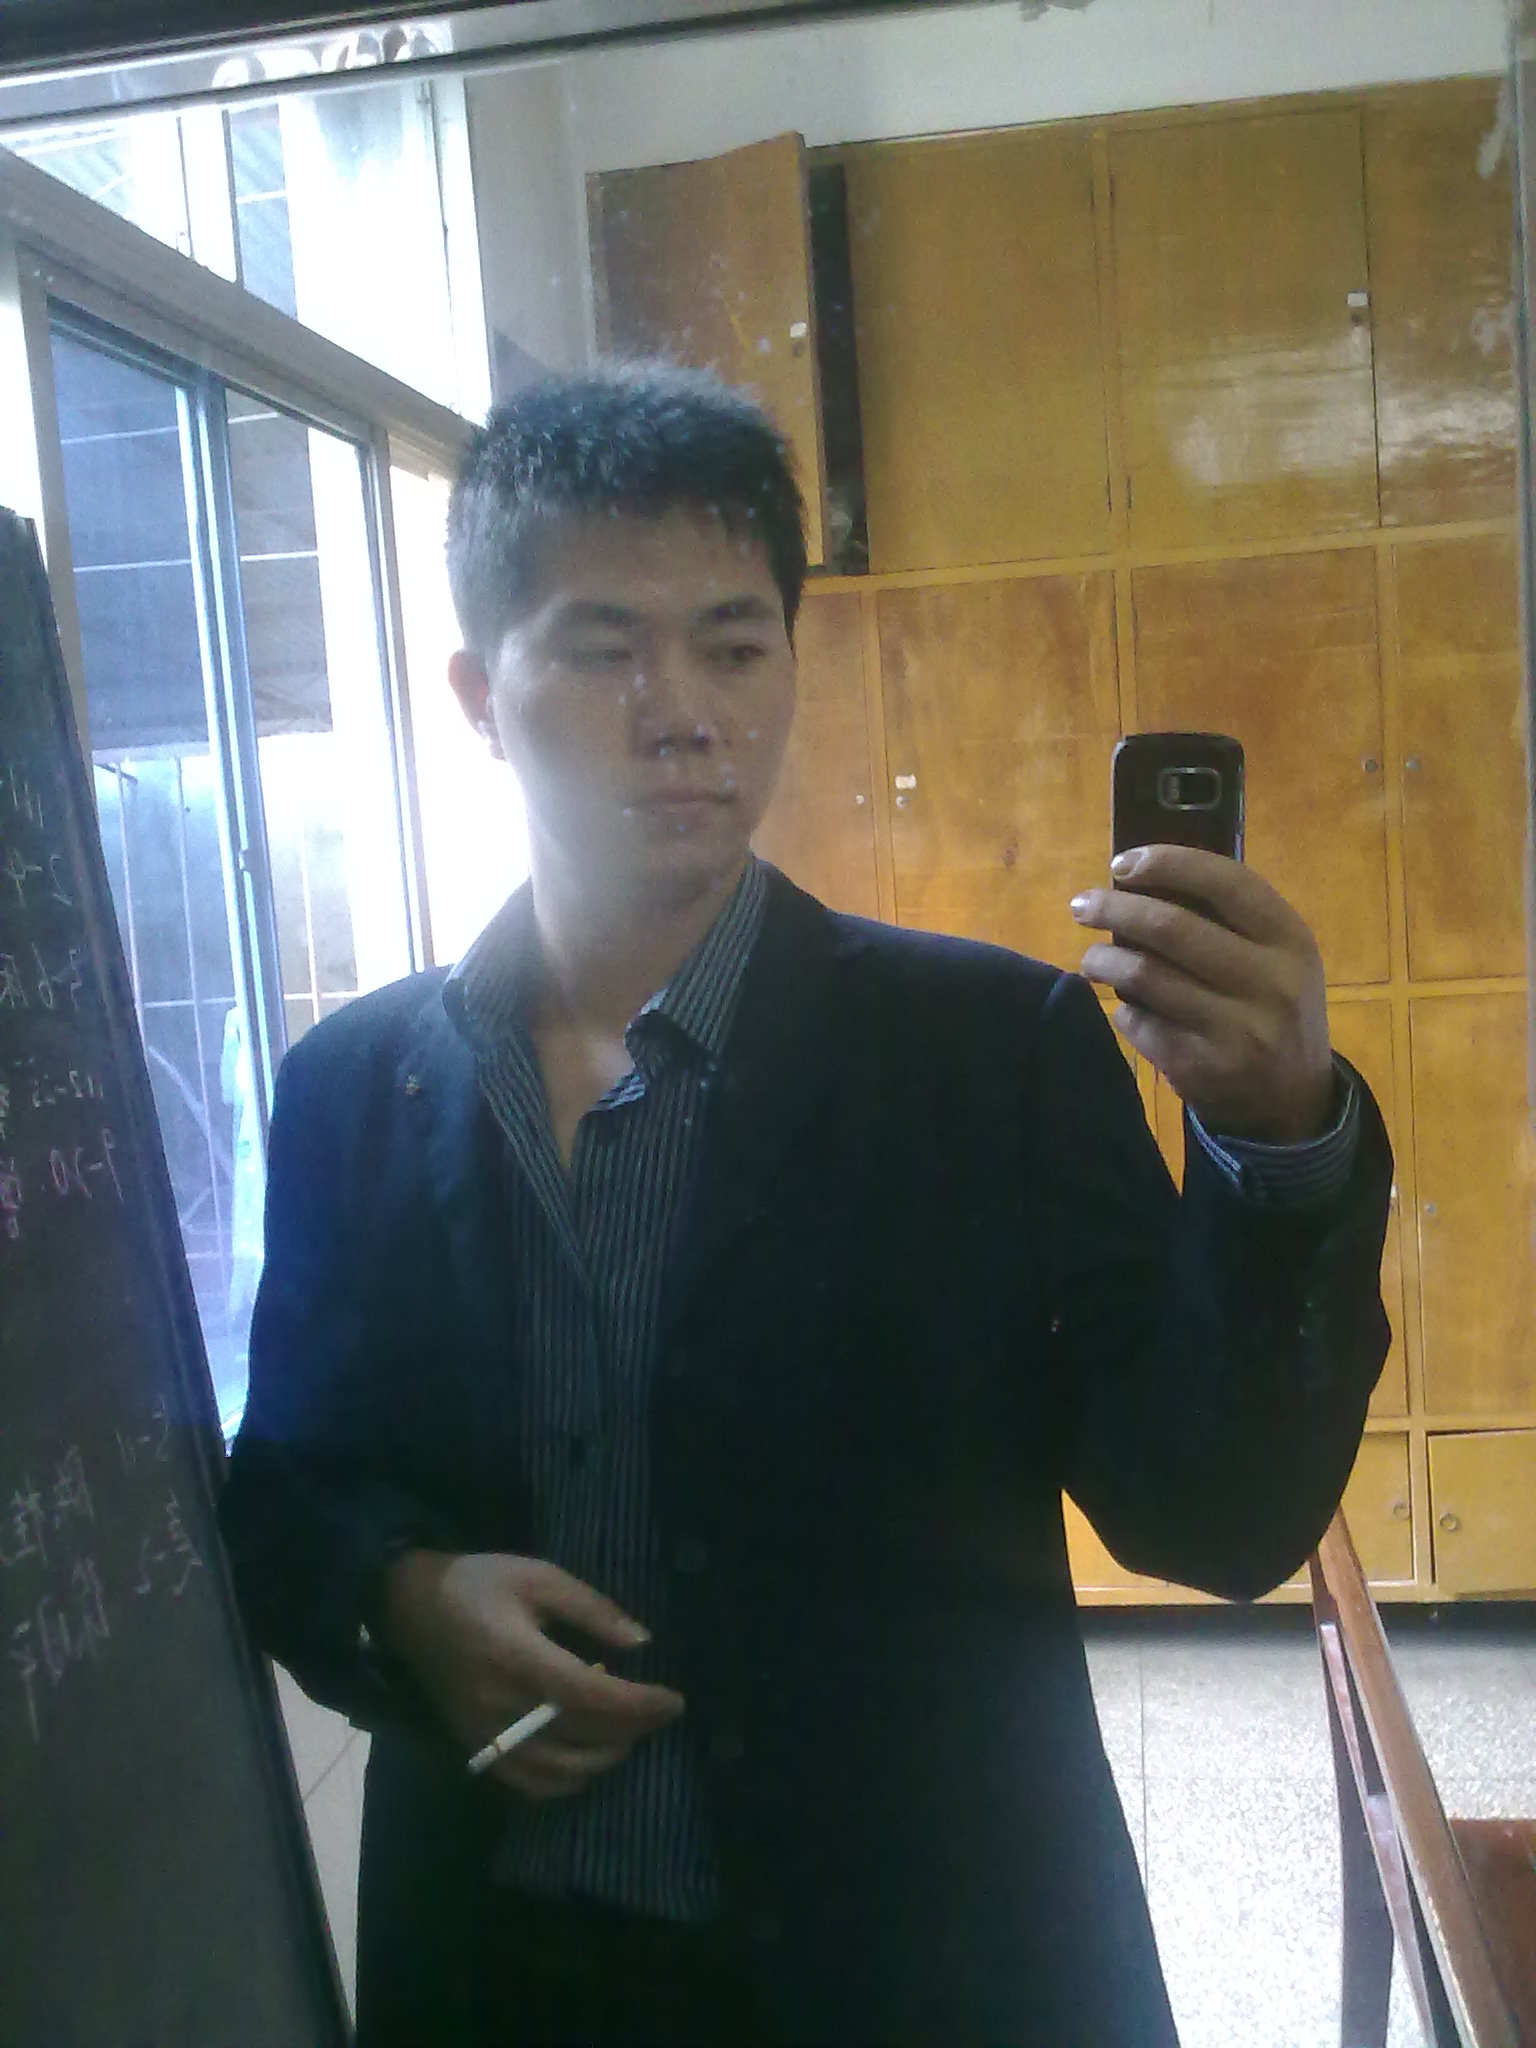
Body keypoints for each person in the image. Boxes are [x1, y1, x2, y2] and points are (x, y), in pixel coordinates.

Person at [221, 361, 1393, 2048]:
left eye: (733, 644)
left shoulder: (987, 1052)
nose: (682, 710)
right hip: (496, 1980)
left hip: (921, 1972)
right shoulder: (352, 1087)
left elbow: (1213, 1515)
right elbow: (285, 1485)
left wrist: (1278, 1143)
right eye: (606, 648)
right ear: (479, 692)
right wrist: (397, 1597)